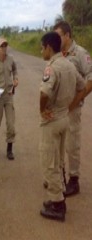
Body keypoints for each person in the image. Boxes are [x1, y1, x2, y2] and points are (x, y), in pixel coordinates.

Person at [38, 32, 84, 221]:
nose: (41, 51)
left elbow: (44, 93)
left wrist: (42, 111)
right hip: (65, 116)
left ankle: (57, 203)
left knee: (49, 161)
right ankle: (59, 195)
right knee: (58, 161)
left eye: (42, 48)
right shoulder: (69, 65)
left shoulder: (52, 67)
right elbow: (82, 87)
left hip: (52, 120)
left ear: (49, 47)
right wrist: (70, 105)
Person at [53, 21, 92, 197]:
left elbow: (90, 80)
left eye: (59, 35)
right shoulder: (58, 54)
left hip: (73, 108)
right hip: (59, 108)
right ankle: (60, 178)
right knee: (58, 144)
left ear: (67, 35)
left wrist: (77, 101)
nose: (56, 39)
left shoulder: (80, 53)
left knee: (72, 145)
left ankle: (74, 180)